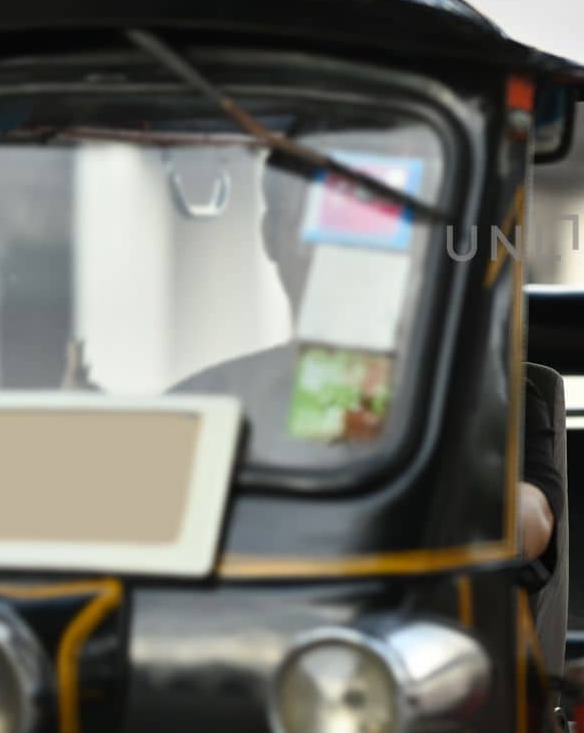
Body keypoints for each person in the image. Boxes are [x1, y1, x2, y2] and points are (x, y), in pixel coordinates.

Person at [173, 154, 563, 571]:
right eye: (314, 219)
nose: (334, 248)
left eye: (361, 225)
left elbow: (531, 522)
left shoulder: (488, 399)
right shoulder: (214, 393)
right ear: (271, 236)